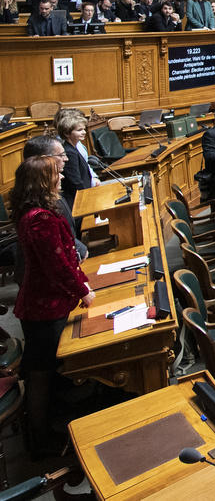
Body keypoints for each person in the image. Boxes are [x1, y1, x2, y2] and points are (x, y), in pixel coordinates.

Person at [13, 156, 94, 456]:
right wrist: (82, 289)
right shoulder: (40, 219)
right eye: (56, 174)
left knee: (45, 371)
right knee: (41, 374)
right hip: (43, 307)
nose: (62, 178)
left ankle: (48, 429)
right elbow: (57, 263)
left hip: (48, 302)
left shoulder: (37, 213)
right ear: (42, 182)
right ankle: (40, 441)